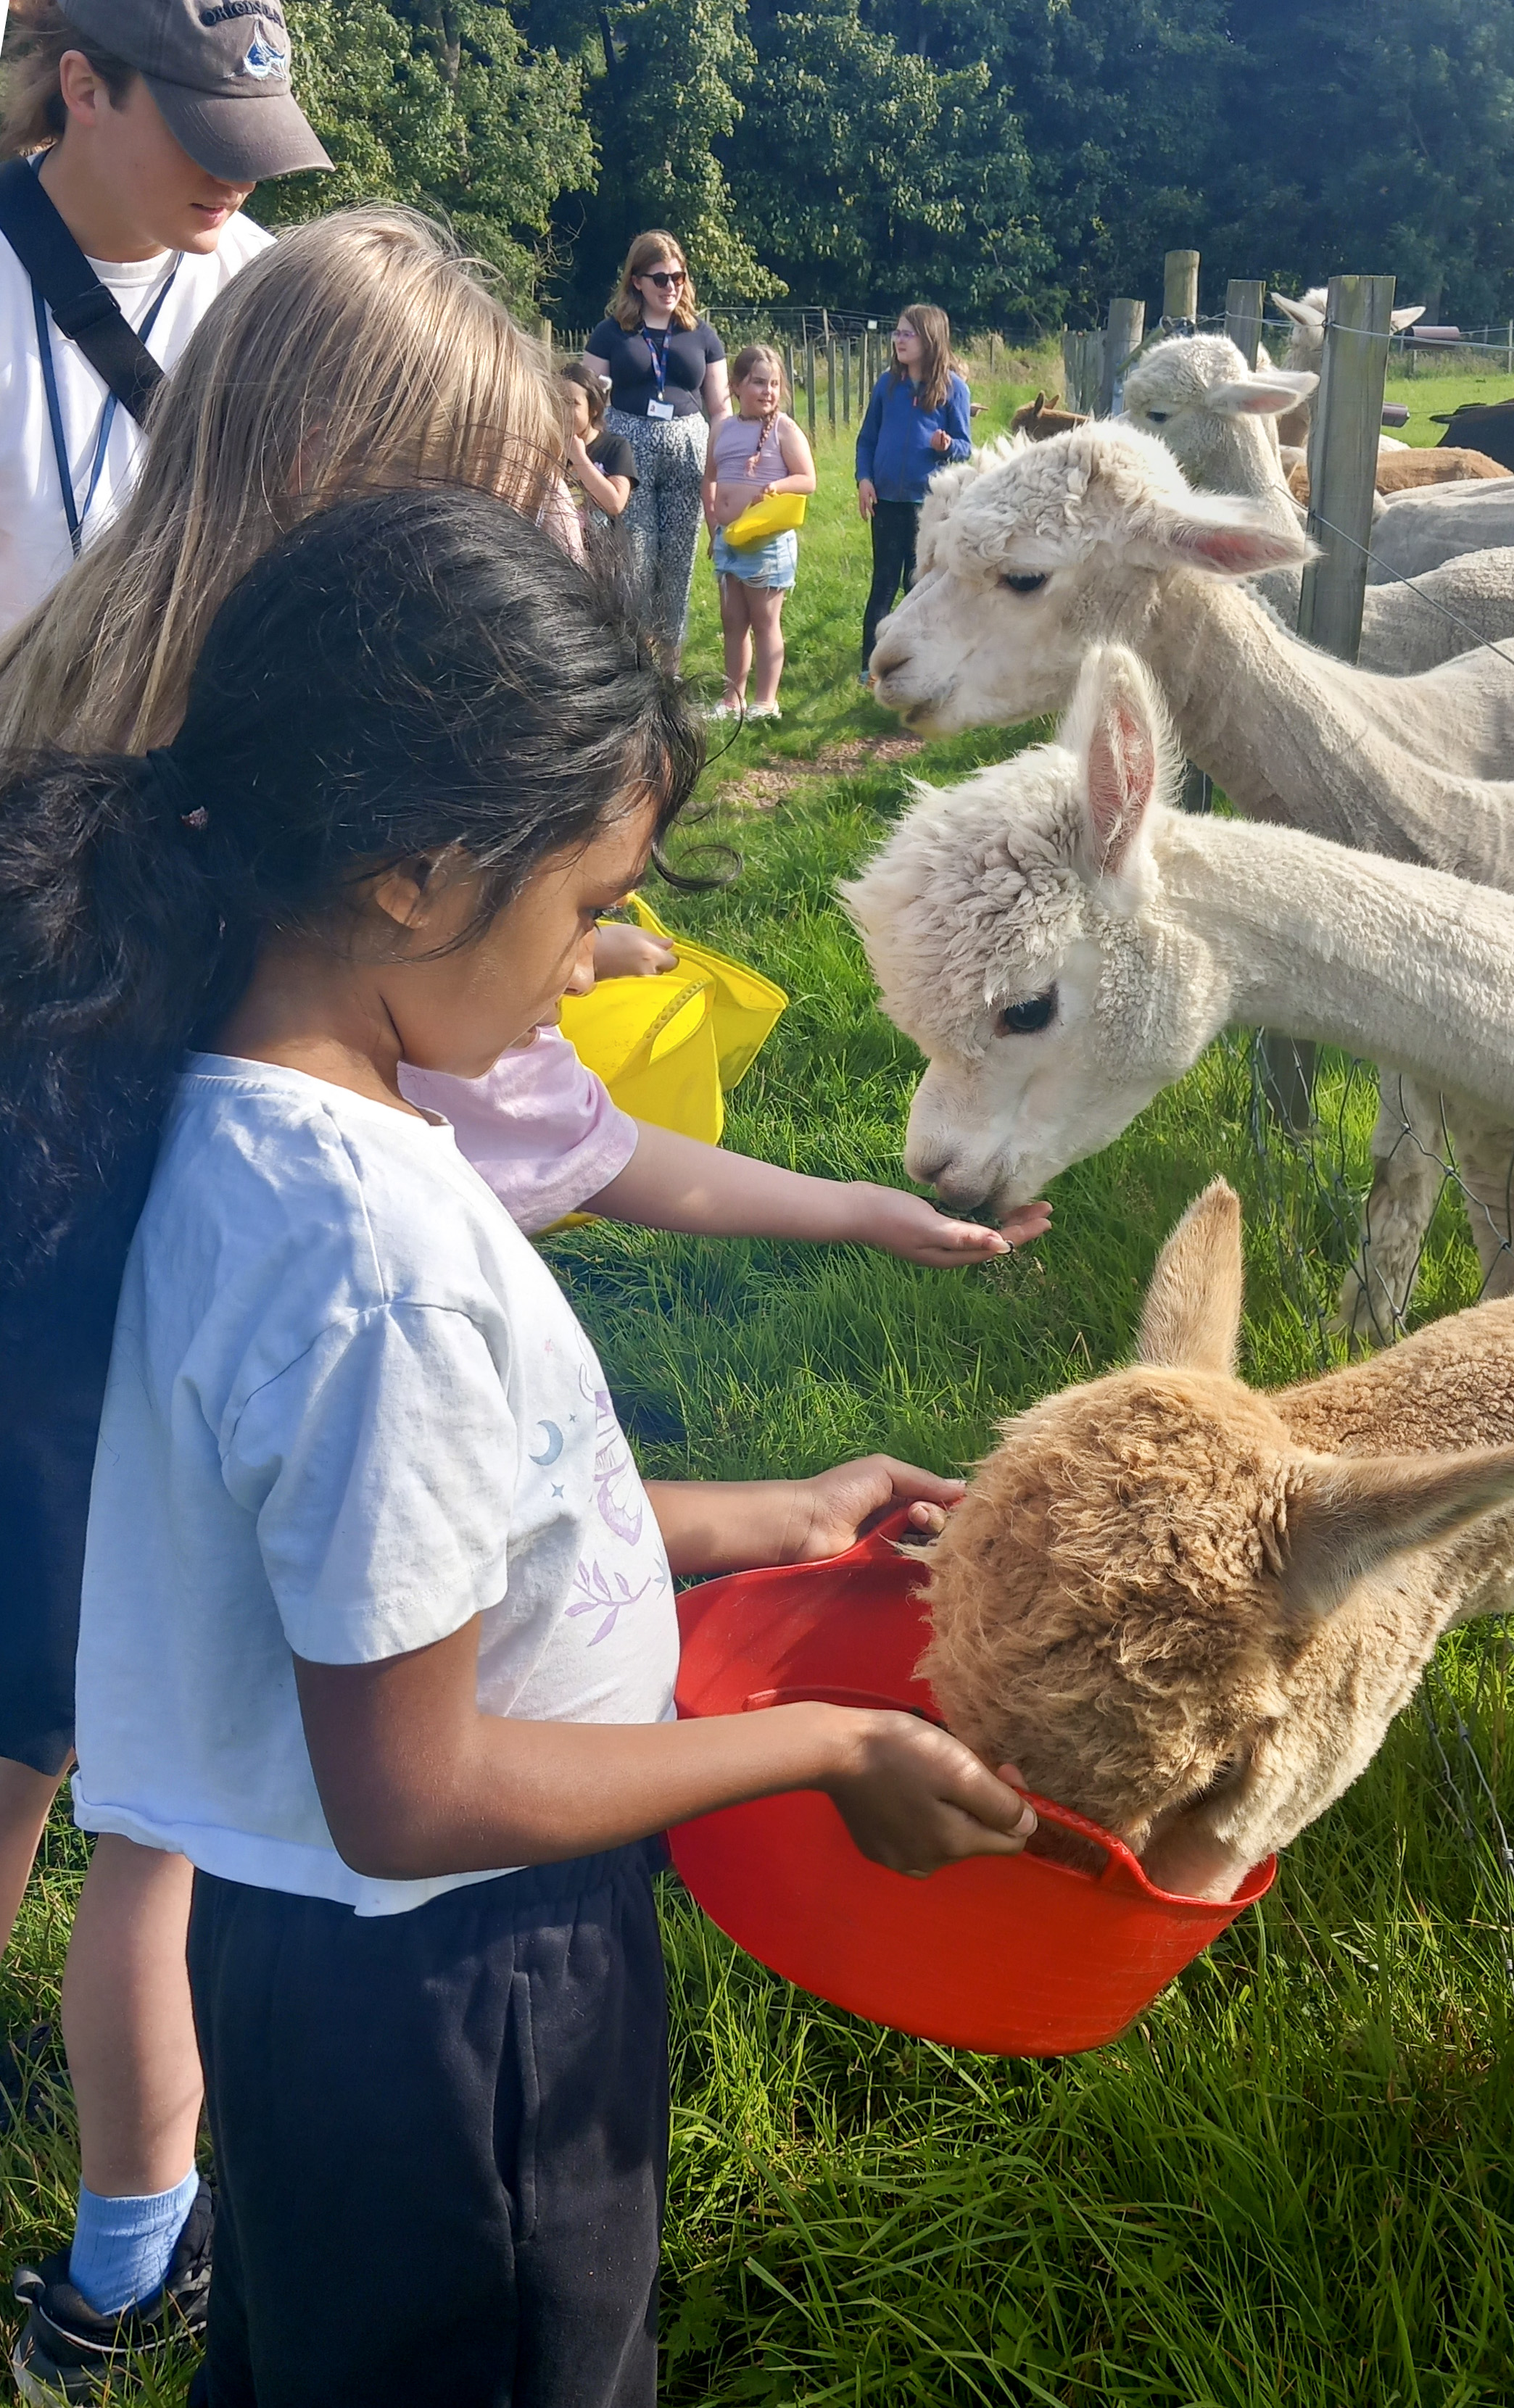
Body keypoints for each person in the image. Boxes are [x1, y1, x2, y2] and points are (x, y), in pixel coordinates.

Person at [0, 202, 1048, 2408]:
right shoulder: (364, 1251)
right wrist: (831, 1738)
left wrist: (771, 1513)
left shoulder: (243, 1124)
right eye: (589, 905)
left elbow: (415, 1543)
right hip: (461, 1987)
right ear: (402, 870)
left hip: (324, 1963)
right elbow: (422, 1776)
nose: (604, 964)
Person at [0, 0, 329, 634]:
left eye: (257, 133)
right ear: (85, 90)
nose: (242, 174)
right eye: (204, 129)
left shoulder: (278, 298)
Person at [582, 230, 727, 665]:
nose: (671, 287)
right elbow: (589, 407)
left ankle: (670, 669)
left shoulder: (701, 334)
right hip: (630, 452)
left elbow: (720, 408)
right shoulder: (611, 334)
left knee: (678, 565)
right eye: (660, 278)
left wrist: (717, 471)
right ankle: (631, 664)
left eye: (678, 277)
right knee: (635, 562)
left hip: (688, 452)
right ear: (637, 281)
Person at [854, 302, 971, 682]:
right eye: (897, 333)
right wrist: (864, 479)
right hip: (886, 501)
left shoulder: (955, 391)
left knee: (918, 587)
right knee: (883, 583)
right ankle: (871, 668)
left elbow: (966, 448)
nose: (899, 340)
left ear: (930, 340)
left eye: (908, 333)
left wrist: (947, 446)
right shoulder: (887, 386)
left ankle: (914, 666)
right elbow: (866, 439)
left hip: (928, 507)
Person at [701, 342, 815, 722]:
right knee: (732, 621)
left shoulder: (784, 429)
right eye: (758, 383)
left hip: (766, 543)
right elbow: (711, 481)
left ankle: (766, 701)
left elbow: (808, 479)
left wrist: (778, 488)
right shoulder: (722, 429)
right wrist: (714, 527)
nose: (767, 391)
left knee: (765, 622)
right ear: (735, 386)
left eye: (773, 384)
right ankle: (732, 700)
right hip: (729, 541)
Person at [558, 355, 637, 545]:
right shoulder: (546, 447)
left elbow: (615, 503)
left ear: (593, 409)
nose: (563, 409)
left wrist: (579, 459)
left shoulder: (615, 447)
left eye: (572, 403)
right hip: (557, 554)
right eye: (558, 400)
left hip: (603, 559)